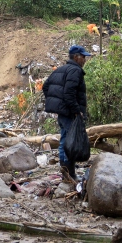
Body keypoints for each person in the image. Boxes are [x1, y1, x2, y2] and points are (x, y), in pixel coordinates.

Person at [42, 45, 90, 184]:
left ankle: (66, 173)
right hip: (70, 113)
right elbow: (69, 93)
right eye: (83, 57)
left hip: (63, 113)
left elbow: (46, 87)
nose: (85, 60)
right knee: (70, 142)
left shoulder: (61, 69)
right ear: (76, 57)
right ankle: (70, 174)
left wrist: (58, 104)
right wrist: (76, 110)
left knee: (64, 141)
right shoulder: (75, 70)